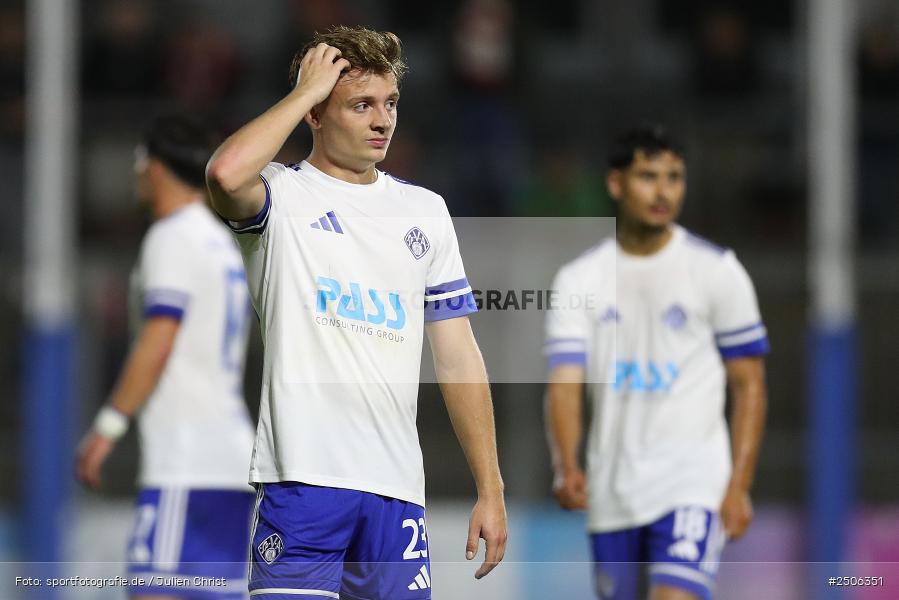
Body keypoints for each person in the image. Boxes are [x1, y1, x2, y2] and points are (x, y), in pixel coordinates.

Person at [205, 26, 507, 600]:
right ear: (316, 115)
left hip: (396, 494)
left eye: (390, 103)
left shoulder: (424, 212)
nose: (383, 120)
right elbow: (224, 174)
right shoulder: (281, 196)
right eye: (361, 104)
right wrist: (302, 93)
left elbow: (458, 355)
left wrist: (490, 487)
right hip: (302, 485)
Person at [544, 125, 769, 600]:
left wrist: (739, 485)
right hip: (614, 491)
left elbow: (749, 384)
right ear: (616, 184)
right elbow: (564, 384)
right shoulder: (580, 278)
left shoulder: (716, 270)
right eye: (648, 176)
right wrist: (567, 464)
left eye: (674, 177)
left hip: (692, 483)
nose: (664, 190)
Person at [77, 115, 256, 600]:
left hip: (187, 460)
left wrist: (109, 425)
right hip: (230, 459)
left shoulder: (173, 236)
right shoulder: (220, 239)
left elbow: (160, 335)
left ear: (154, 168)